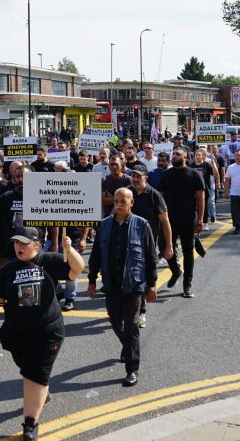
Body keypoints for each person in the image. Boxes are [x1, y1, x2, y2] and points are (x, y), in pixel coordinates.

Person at [0, 226, 84, 441]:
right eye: (16, 242)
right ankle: (41, 389)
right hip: (16, 332)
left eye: (24, 242)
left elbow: (76, 270)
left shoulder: (50, 260)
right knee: (29, 370)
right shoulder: (8, 269)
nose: (19, 246)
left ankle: (30, 423)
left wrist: (69, 250)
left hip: (47, 330)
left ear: (36, 244)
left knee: (33, 376)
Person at [87, 187, 159, 386]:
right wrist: (92, 280)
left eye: (123, 201)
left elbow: (151, 258)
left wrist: (151, 284)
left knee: (132, 326)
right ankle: (127, 347)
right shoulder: (104, 225)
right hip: (111, 284)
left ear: (131, 203)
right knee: (114, 321)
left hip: (134, 284)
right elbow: (96, 256)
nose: (118, 204)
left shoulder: (142, 225)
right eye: (116, 200)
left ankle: (132, 370)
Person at [128, 164, 173, 328]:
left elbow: (165, 222)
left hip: (147, 244)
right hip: (127, 243)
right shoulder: (127, 192)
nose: (135, 179)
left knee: (143, 277)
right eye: (133, 176)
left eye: (138, 176)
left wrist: (168, 246)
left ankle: (141, 311)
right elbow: (115, 213)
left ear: (146, 177)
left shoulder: (154, 195)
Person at [158, 149, 205, 298]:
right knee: (164, 247)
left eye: (178, 154)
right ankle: (176, 270)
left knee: (188, 252)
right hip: (170, 220)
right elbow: (161, 198)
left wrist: (200, 220)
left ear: (185, 157)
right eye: (174, 154)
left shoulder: (194, 174)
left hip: (188, 219)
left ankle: (187, 285)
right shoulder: (166, 175)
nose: (174, 156)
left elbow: (201, 199)